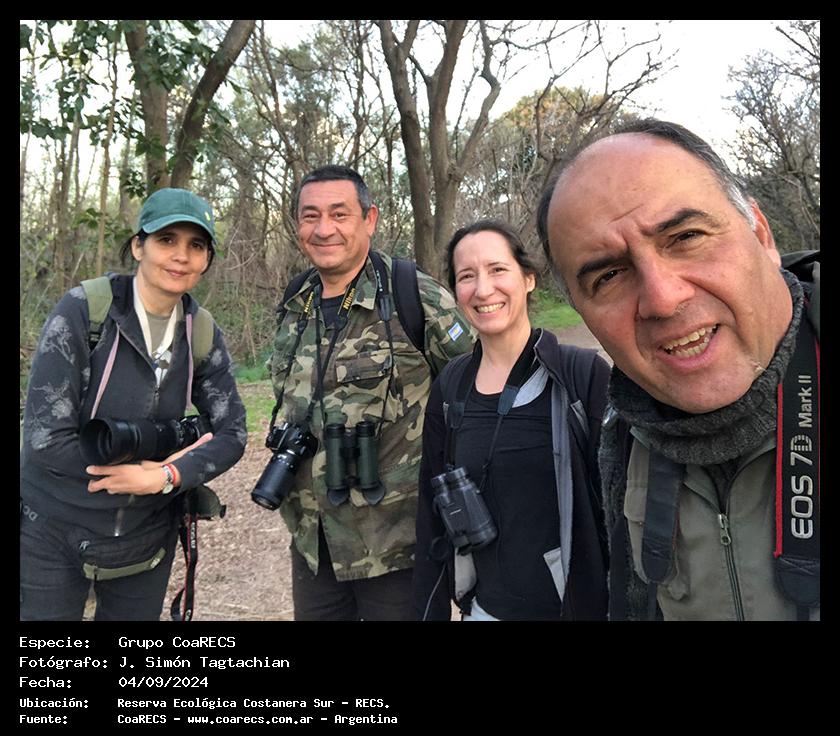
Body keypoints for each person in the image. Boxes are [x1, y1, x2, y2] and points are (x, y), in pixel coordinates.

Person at [539, 118, 820, 621]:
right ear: (583, 313)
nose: (663, 299)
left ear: (761, 233)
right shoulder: (625, 431)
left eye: (687, 236)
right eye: (609, 275)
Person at [20, 188, 247, 621]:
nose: (181, 256)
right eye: (166, 240)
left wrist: (164, 477)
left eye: (196, 245)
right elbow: (45, 439)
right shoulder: (85, 311)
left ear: (206, 260)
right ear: (139, 246)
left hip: (146, 536)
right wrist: (138, 471)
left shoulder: (200, 331)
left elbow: (233, 431)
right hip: (54, 530)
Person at [263, 165, 474, 621]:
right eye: (310, 216)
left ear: (369, 219)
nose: (324, 229)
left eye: (339, 214)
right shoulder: (296, 301)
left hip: (400, 547)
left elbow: (476, 390)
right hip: (316, 544)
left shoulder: (414, 296)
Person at [413, 219, 611, 621]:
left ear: (529, 278)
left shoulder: (581, 377)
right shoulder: (451, 386)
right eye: (467, 276)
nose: (483, 289)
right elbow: (430, 515)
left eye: (498, 269)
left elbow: (624, 511)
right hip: (486, 612)